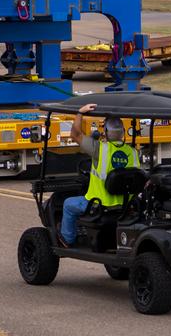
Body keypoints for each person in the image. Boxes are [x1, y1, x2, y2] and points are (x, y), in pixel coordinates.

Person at [59, 103, 138, 247]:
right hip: (125, 206)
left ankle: (67, 240)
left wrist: (80, 112)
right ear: (123, 132)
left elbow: (75, 134)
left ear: (106, 132)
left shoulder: (99, 149)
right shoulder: (132, 152)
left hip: (99, 206)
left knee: (68, 204)